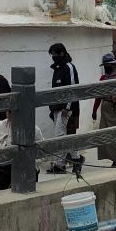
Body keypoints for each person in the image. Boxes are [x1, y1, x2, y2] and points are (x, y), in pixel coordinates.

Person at [0, 109, 43, 191]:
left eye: (13, 112)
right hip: (4, 169)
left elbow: (41, 150)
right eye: (8, 111)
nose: (9, 114)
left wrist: (34, 166)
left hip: (26, 169)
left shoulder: (34, 129)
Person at [45, 42, 82, 175]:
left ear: (62, 53)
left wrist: (68, 107)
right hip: (56, 108)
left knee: (60, 136)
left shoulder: (69, 67)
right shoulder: (57, 68)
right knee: (65, 136)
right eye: (52, 55)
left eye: (55, 54)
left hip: (66, 109)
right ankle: (76, 159)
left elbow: (73, 88)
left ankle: (61, 164)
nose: (54, 57)